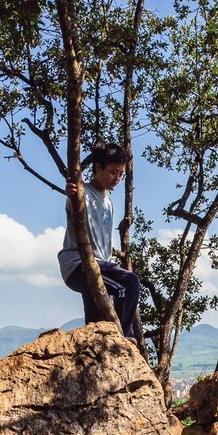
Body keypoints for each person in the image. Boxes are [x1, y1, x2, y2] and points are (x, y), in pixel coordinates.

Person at [57, 142, 142, 345]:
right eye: (113, 172)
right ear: (97, 168)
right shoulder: (82, 193)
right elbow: (72, 202)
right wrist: (71, 192)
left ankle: (95, 355)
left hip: (99, 265)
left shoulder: (108, 202)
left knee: (96, 324)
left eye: (121, 174)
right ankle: (122, 340)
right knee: (129, 284)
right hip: (78, 264)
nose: (117, 178)